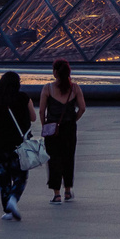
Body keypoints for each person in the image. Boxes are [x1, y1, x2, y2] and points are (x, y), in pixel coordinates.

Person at [0, 71, 36, 221]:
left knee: (3, 179)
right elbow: (33, 117)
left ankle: (7, 210)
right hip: (18, 146)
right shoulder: (23, 98)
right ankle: (13, 199)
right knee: (21, 175)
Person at [37, 58, 85, 204]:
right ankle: (68, 191)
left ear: (55, 72)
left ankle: (56, 194)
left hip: (52, 129)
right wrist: (72, 120)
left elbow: (41, 110)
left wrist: (45, 125)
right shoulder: (75, 88)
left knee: (54, 160)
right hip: (69, 127)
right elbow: (82, 108)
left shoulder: (47, 88)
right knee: (69, 158)